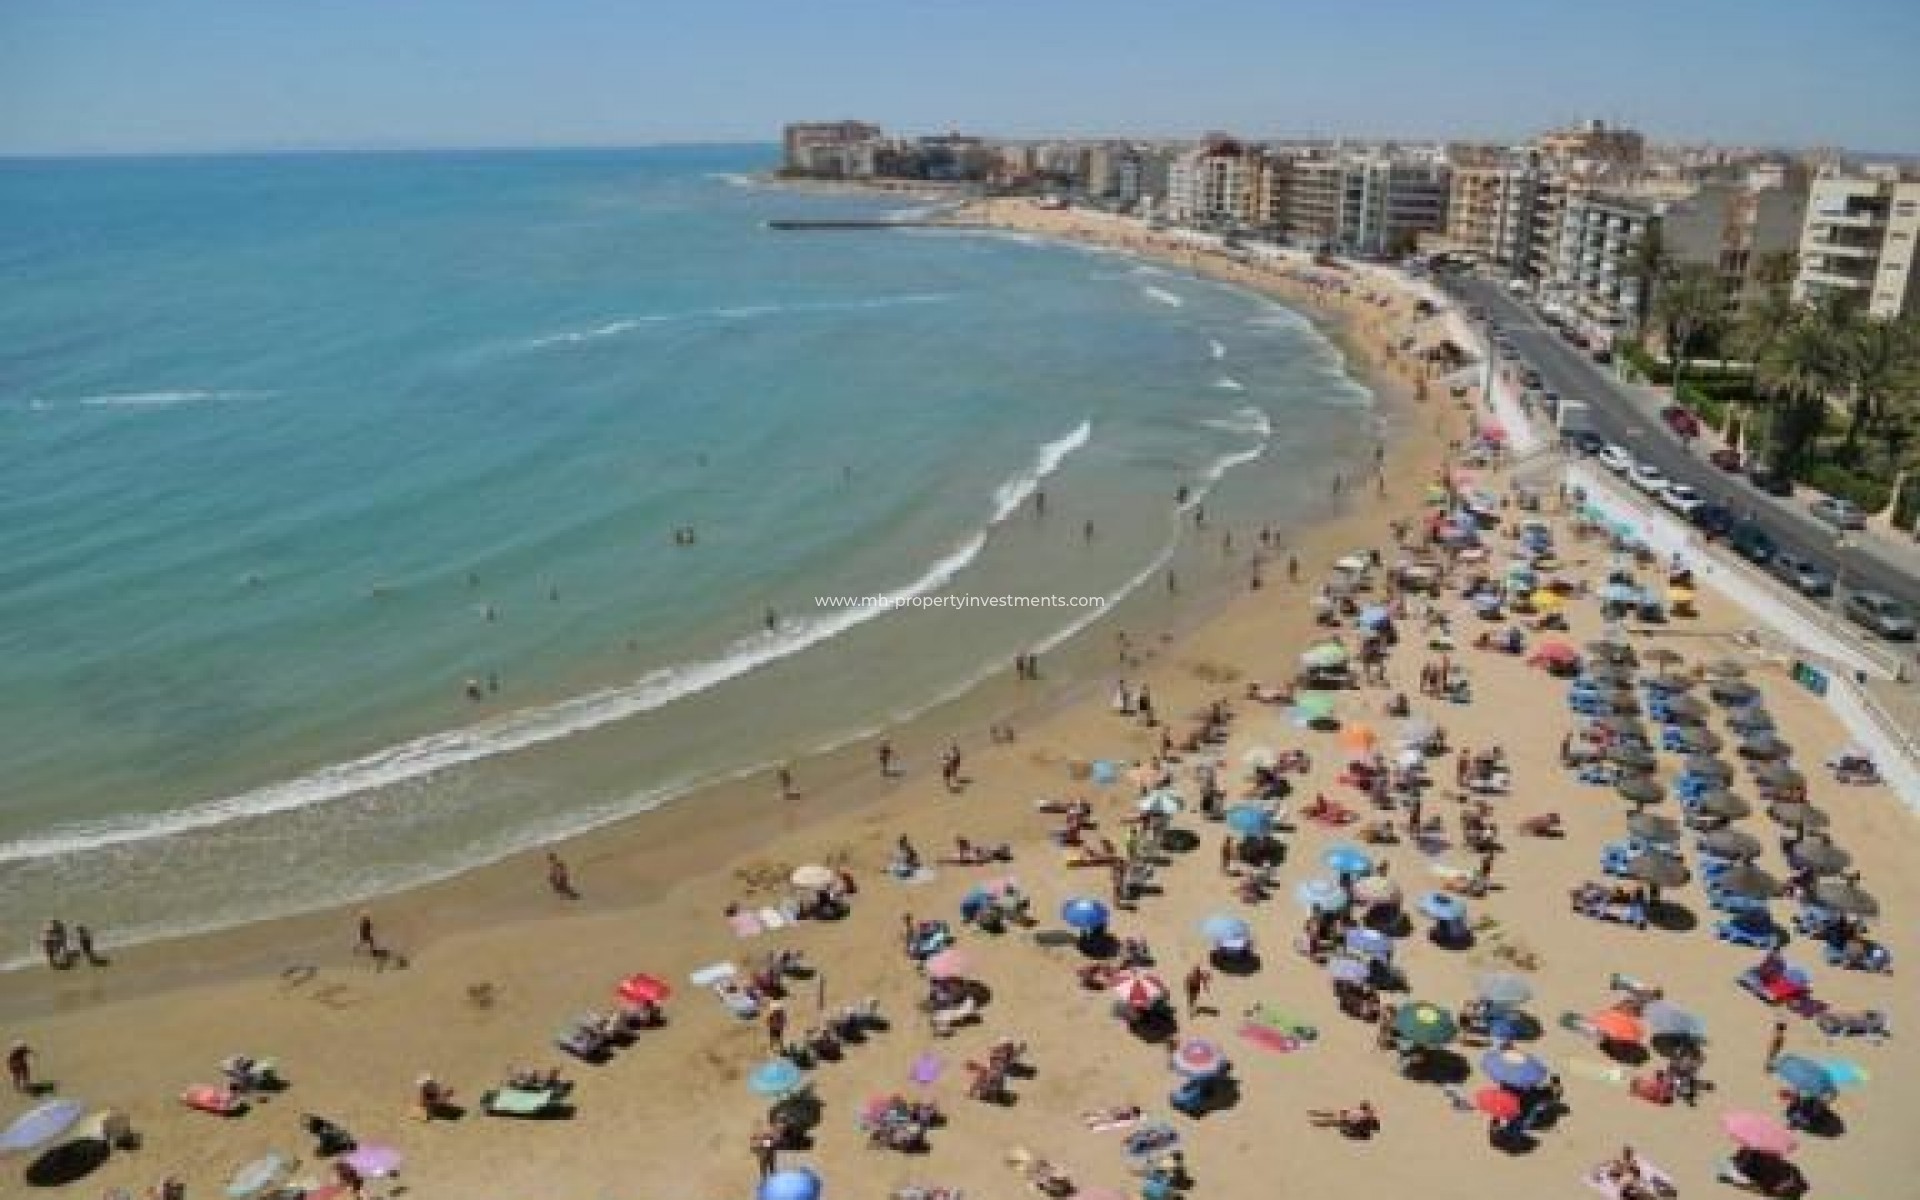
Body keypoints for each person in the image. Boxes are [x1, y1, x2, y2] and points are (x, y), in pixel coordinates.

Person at [1307, 1100, 1378, 1137]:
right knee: (1331, 1116)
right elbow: (1362, 1105)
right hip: (1347, 1115)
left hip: (1347, 1120)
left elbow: (1356, 1127)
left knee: (1331, 1120)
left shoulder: (1365, 1121)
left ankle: (1315, 1121)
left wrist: (1347, 1130)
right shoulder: (1369, 1113)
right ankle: (1315, 1116)